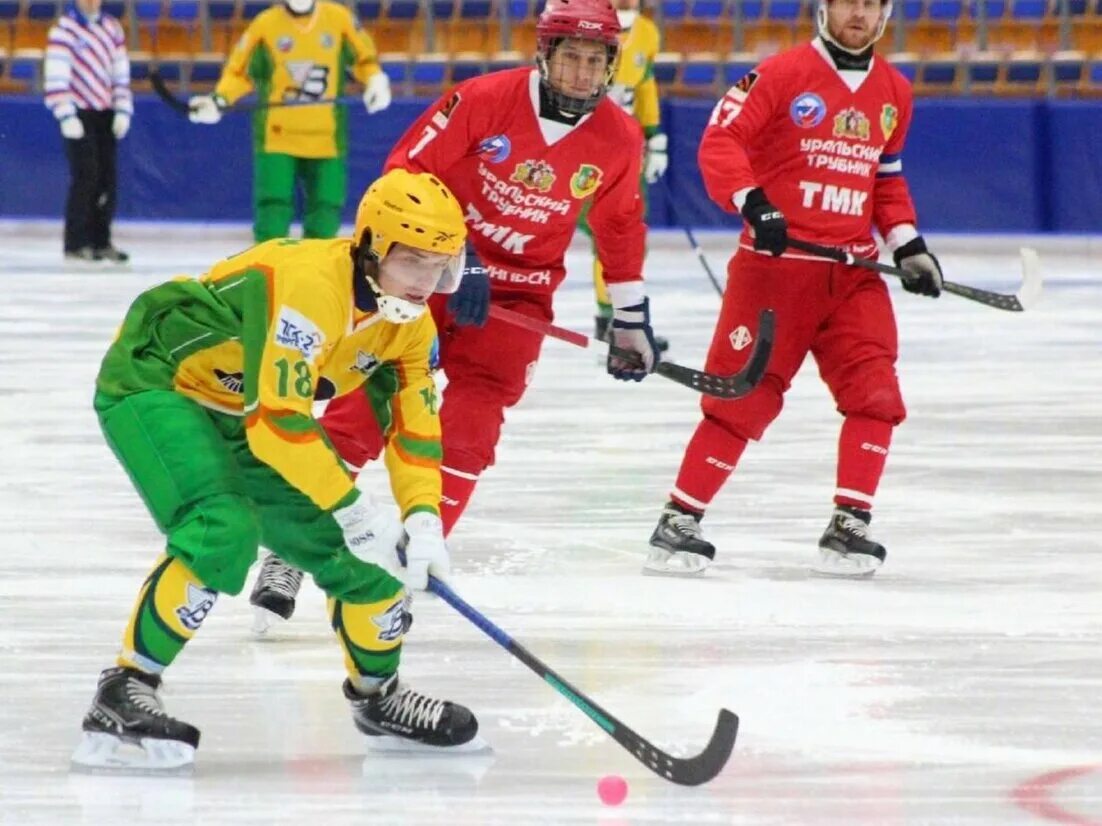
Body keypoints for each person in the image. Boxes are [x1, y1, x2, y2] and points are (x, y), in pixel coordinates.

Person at [247, 0, 660, 628]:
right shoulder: (480, 100)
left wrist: (629, 319)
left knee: (470, 427)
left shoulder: (619, 138)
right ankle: (290, 550)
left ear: (611, 67)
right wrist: (454, 259)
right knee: (365, 405)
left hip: (518, 297)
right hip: (424, 275)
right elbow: (401, 174)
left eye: (595, 61)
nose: (582, 73)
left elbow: (621, 226)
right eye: (570, 57)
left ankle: (417, 550)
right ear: (545, 55)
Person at [71, 169, 481, 771]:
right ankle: (124, 688)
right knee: (223, 526)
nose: (427, 284)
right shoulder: (311, 285)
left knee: (362, 561)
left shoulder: (409, 328)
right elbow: (280, 422)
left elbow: (416, 427)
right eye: (413, 261)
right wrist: (354, 509)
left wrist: (422, 518)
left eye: (441, 266)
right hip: (160, 380)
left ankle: (379, 697)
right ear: (371, 247)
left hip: (247, 408)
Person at [644, 0, 944, 578]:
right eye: (847, 2)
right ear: (823, 8)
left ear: (885, 14)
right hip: (775, 270)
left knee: (876, 394)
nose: (858, 14)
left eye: (871, 4)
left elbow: (885, 178)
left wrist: (908, 244)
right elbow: (720, 144)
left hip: (853, 275)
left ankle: (849, 521)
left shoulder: (894, 92)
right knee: (741, 396)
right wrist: (754, 203)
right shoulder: (779, 75)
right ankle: (680, 517)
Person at [187, 0, 392, 242]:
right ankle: (268, 269)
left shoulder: (339, 19)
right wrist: (219, 100)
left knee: (326, 206)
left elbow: (364, 59)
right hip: (277, 137)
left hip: (326, 137)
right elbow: (239, 72)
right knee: (273, 206)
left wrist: (376, 80)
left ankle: (316, 271)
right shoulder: (265, 24)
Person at [581, 0, 669, 349]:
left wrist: (654, 134)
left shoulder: (647, 32)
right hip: (584, 149)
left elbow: (644, 85)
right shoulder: (582, 24)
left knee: (625, 236)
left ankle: (612, 318)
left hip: (625, 150)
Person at [44, 0, 132, 264]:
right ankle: (76, 242)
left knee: (107, 179)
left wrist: (123, 108)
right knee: (86, 176)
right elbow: (56, 74)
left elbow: (120, 71)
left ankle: (100, 240)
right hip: (79, 111)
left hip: (105, 112)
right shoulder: (64, 30)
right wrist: (65, 112)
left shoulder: (111, 28)